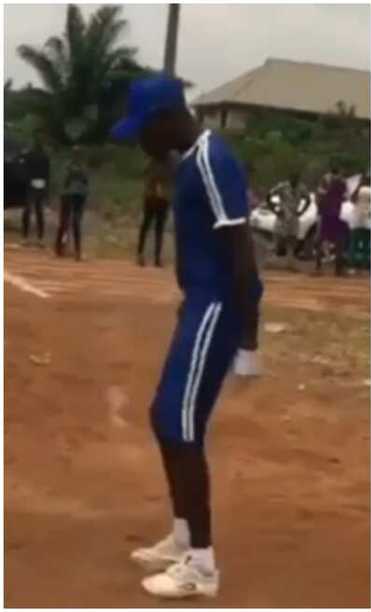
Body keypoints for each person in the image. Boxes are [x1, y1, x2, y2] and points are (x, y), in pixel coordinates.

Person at [112, 76, 262, 598]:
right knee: (168, 418)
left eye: (141, 131)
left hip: (217, 307)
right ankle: (182, 538)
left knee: (177, 426)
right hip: (200, 303)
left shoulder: (210, 161)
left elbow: (243, 252)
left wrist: (249, 339)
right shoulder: (191, 159)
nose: (139, 143)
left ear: (163, 120)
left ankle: (201, 566)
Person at [56, 146, 90, 261]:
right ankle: (77, 250)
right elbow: (86, 182)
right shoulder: (83, 167)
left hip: (68, 194)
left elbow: (65, 181)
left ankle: (59, 248)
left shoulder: (68, 165)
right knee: (76, 221)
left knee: (64, 221)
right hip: (79, 195)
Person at [138, 158, 172, 267]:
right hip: (156, 198)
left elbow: (145, 174)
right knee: (155, 228)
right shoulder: (167, 163)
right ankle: (150, 256)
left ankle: (145, 255)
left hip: (156, 198)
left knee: (150, 227)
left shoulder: (155, 162)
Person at [316, 166, 349, 276]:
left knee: (322, 238)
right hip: (338, 214)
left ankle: (318, 266)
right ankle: (338, 269)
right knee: (340, 240)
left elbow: (320, 196)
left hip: (327, 213)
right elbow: (346, 197)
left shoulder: (326, 182)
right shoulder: (342, 182)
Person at [22, 133, 50, 247]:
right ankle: (40, 238)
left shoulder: (29, 155)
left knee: (28, 210)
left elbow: (24, 169)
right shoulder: (45, 156)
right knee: (39, 212)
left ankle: (25, 237)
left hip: (31, 184)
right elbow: (48, 174)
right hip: (41, 184)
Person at [275, 172, 307, 271]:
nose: (295, 180)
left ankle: (290, 262)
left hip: (293, 215)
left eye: (297, 178)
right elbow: (269, 196)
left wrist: (302, 211)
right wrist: (275, 210)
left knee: (292, 239)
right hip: (284, 214)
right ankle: (274, 258)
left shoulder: (301, 187)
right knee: (280, 237)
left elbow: (308, 199)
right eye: (293, 178)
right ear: (290, 178)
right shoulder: (282, 186)